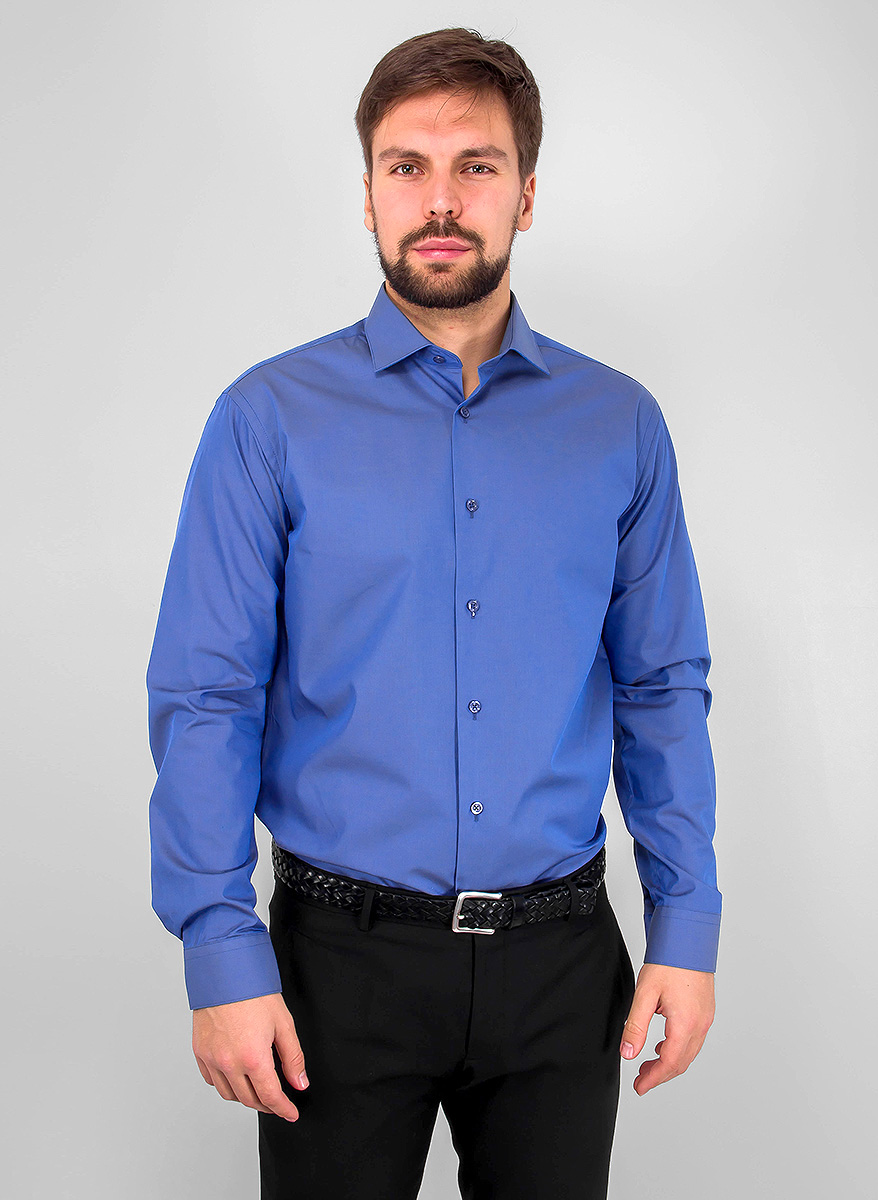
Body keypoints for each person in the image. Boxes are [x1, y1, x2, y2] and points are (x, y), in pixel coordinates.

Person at [146, 26, 720, 1200]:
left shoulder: (619, 425)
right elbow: (208, 695)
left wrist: (686, 924)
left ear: (526, 194)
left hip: (562, 966)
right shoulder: (269, 418)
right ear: (368, 194)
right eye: (407, 166)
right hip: (335, 969)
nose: (441, 200)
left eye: (477, 166)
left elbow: (661, 687)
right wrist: (218, 943)